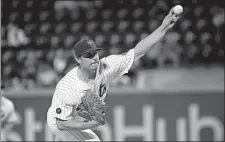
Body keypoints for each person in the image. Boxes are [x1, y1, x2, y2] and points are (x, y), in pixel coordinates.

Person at [47, 6, 180, 141]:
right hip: (60, 121)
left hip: (75, 118)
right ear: (78, 59)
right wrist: (91, 123)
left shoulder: (106, 67)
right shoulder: (68, 86)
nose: (94, 58)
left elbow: (137, 51)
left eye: (95, 53)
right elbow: (61, 123)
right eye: (88, 55)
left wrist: (163, 27)